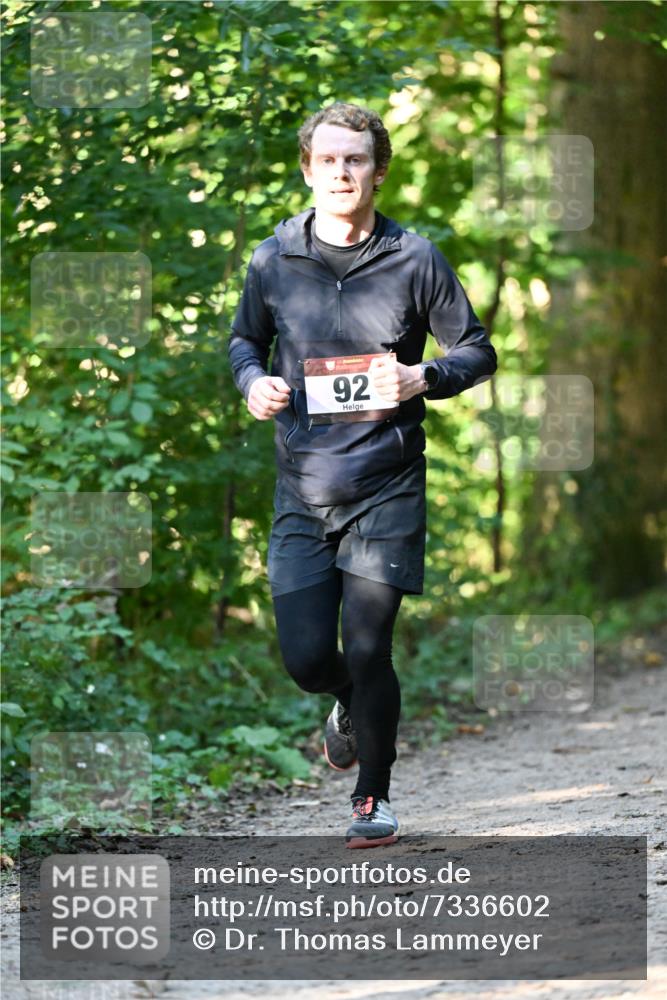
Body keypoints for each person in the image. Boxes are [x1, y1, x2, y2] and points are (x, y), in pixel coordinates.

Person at [228, 101, 497, 848]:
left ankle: (370, 797)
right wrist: (254, 383)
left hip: (386, 484)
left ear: (376, 171)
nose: (341, 172)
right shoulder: (272, 259)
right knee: (309, 656)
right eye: (327, 159)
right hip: (303, 488)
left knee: (371, 644)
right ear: (308, 169)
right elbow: (244, 342)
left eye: (355, 160)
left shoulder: (416, 259)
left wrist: (426, 377)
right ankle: (346, 701)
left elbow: (477, 351)